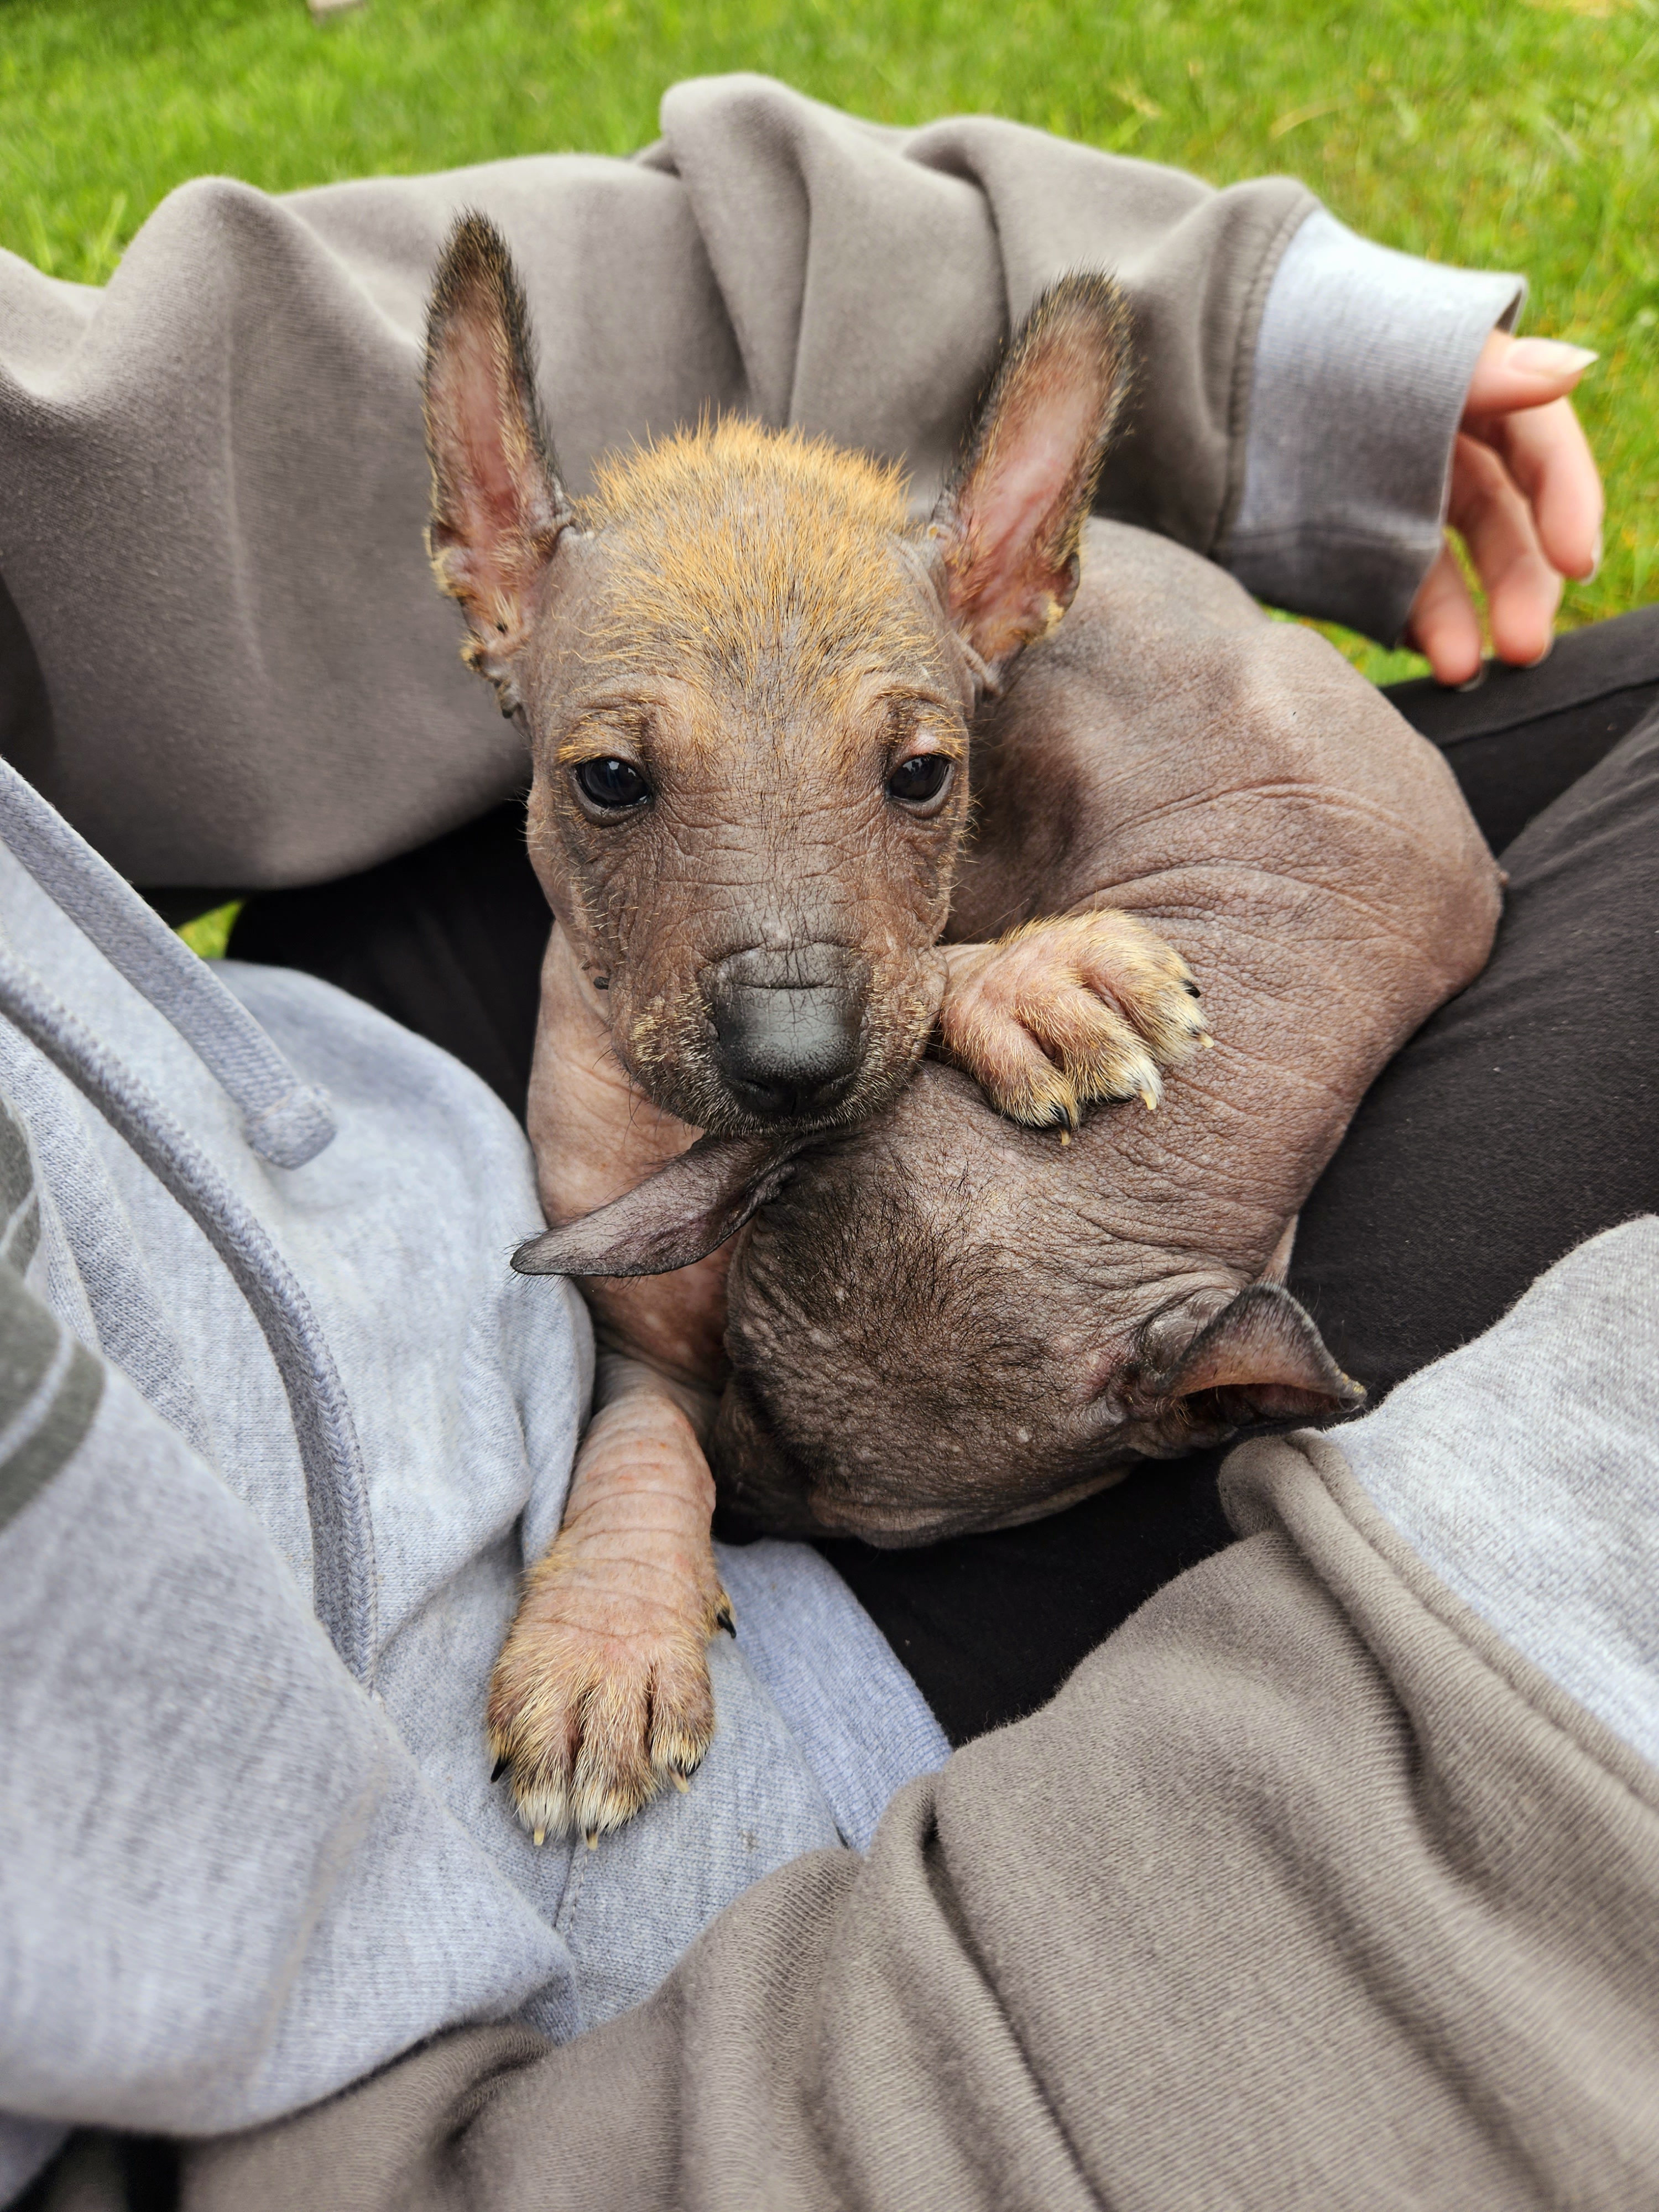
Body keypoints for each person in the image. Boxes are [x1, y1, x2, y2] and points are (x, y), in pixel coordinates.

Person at [0, 73, 1649, 2212]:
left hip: (325, 1103)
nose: (789, 1024)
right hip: (793, 1612)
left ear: (1015, 581)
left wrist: (1250, 347)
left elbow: (114, 429)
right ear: (485, 569)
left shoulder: (827, 665)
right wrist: (635, 1523)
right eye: (610, 780)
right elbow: (654, 1356)